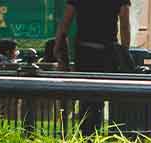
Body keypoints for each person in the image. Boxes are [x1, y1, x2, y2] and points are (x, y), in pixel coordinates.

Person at [55, 0, 132, 135]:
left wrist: (58, 47)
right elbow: (124, 24)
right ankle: (98, 132)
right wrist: (124, 52)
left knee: (85, 96)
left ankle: (85, 133)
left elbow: (66, 21)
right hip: (106, 52)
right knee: (101, 97)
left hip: (84, 51)